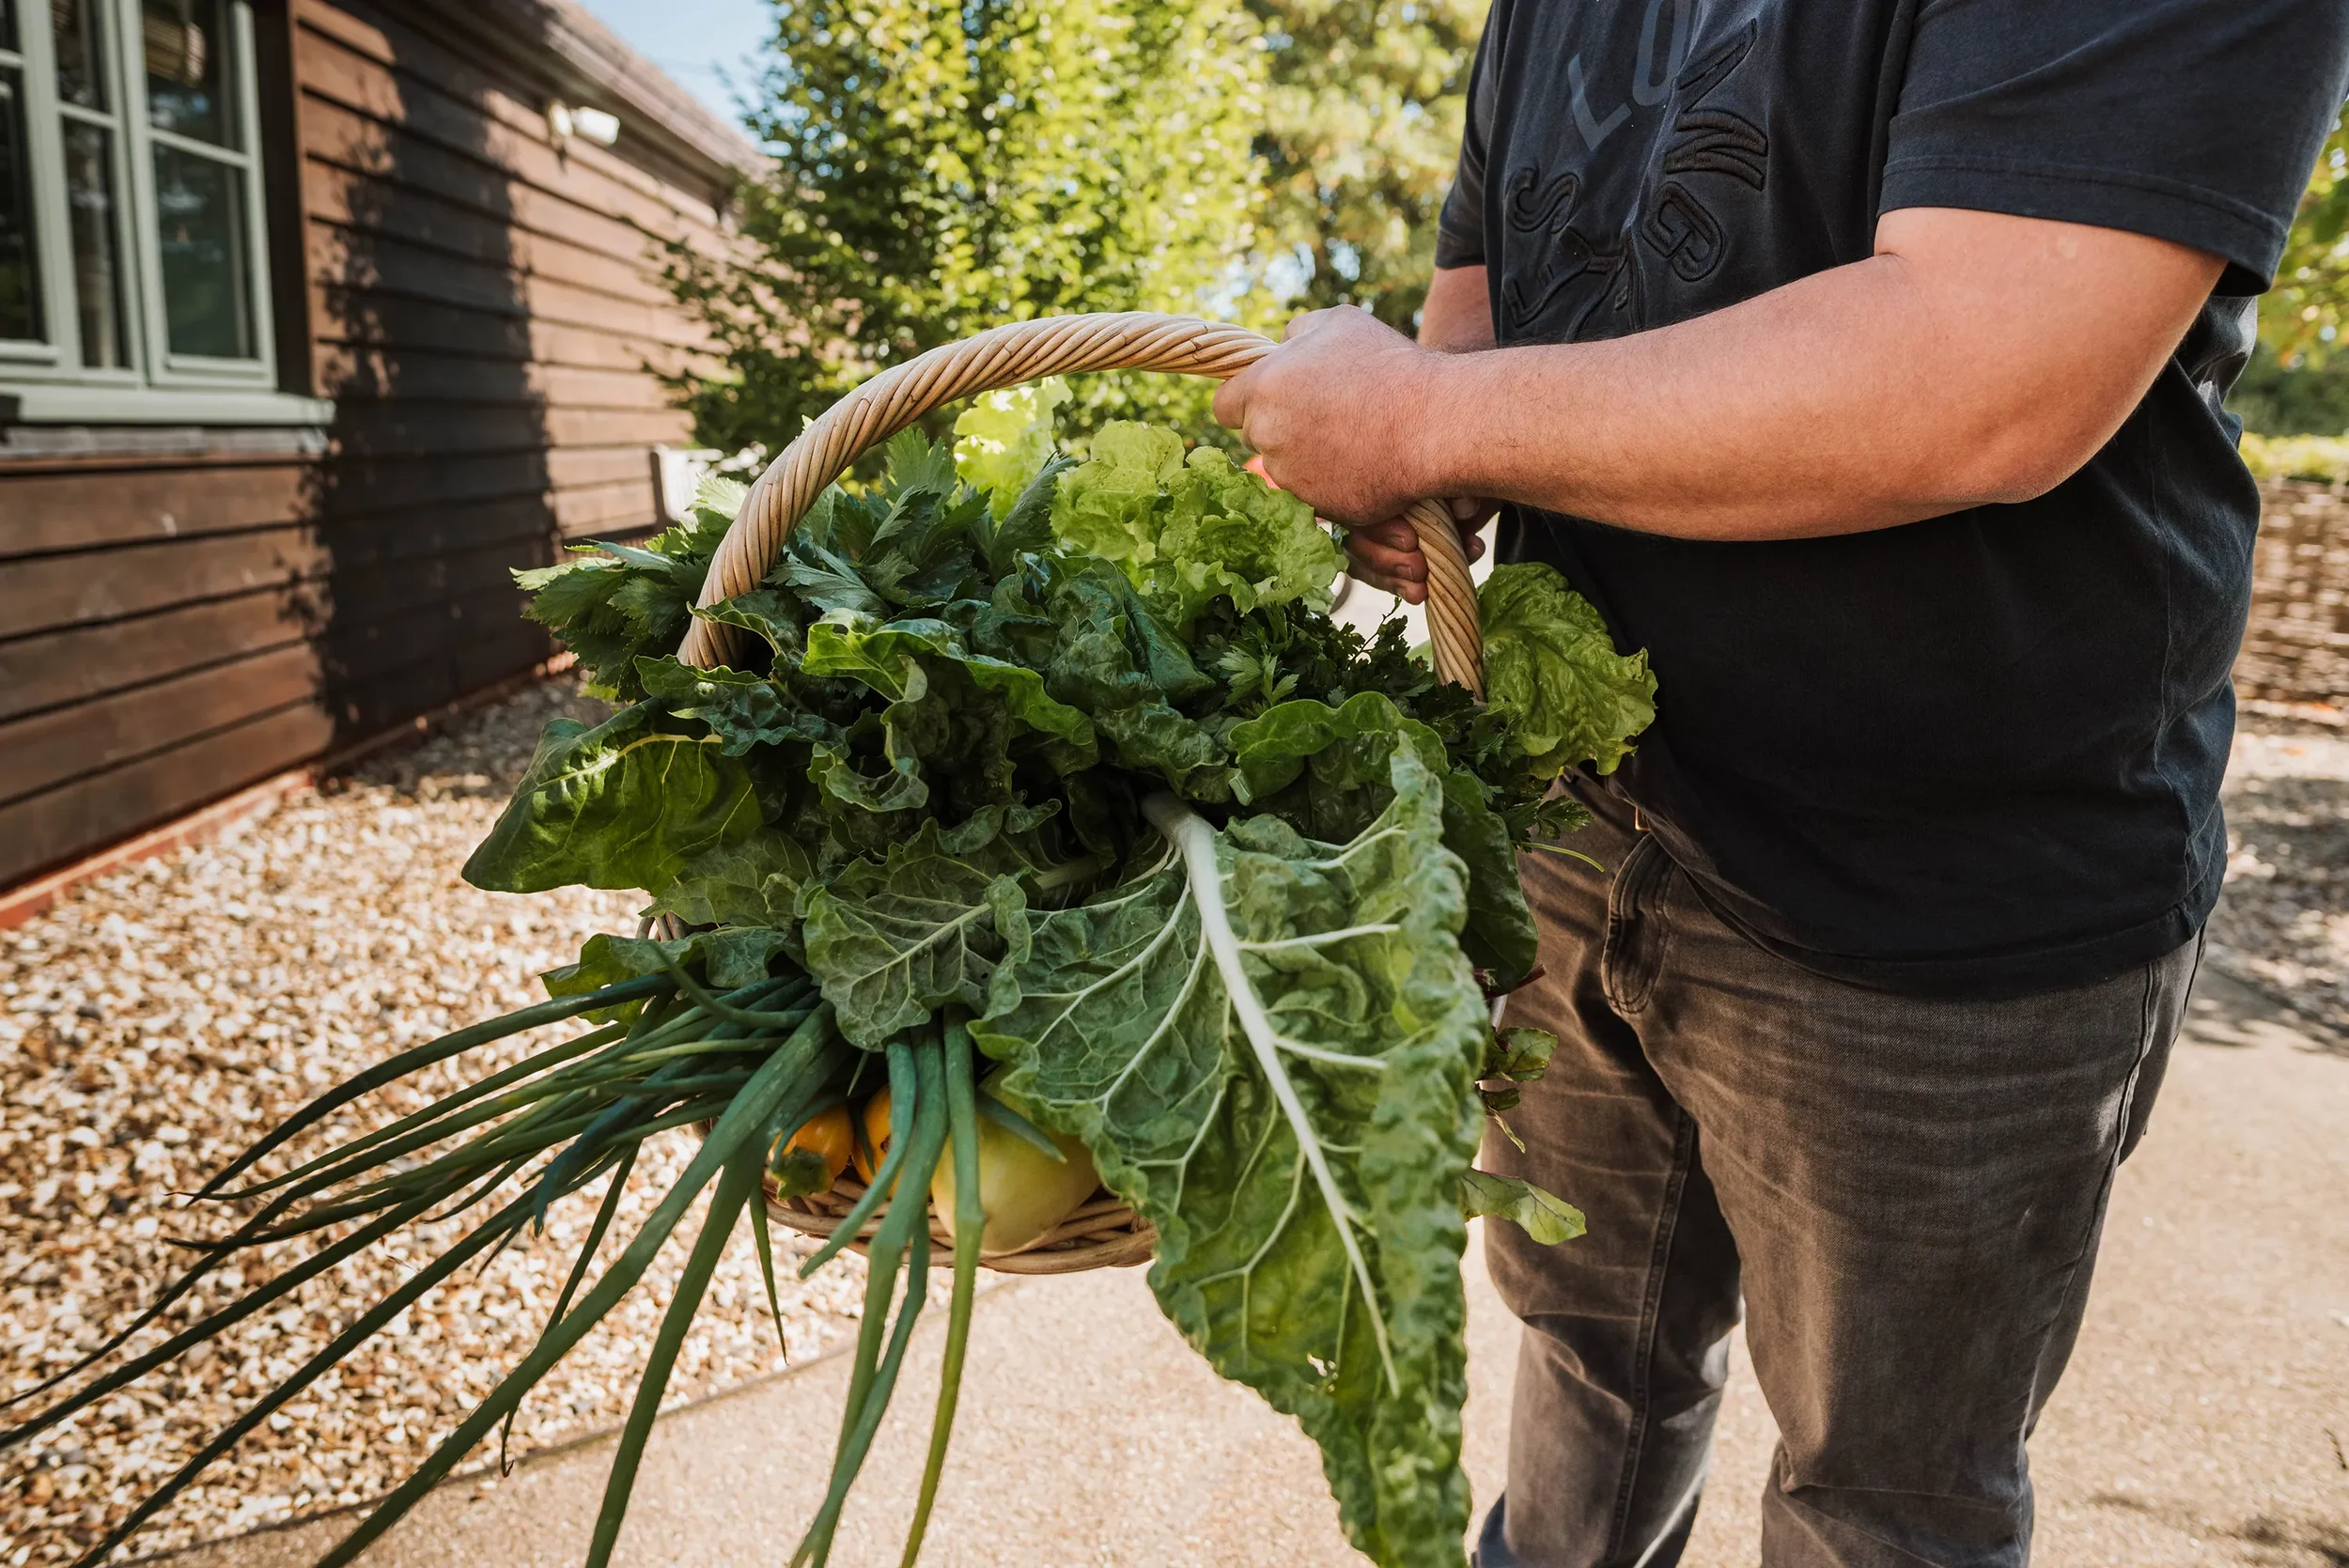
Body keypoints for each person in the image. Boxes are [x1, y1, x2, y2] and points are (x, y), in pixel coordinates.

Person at [1212, 5, 2349, 1565]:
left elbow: (1987, 369)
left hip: (1943, 895)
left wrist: (1415, 414)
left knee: (1884, 1501)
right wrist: (1418, 446)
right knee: (1586, 1356)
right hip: (1583, 819)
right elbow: (1482, 306)